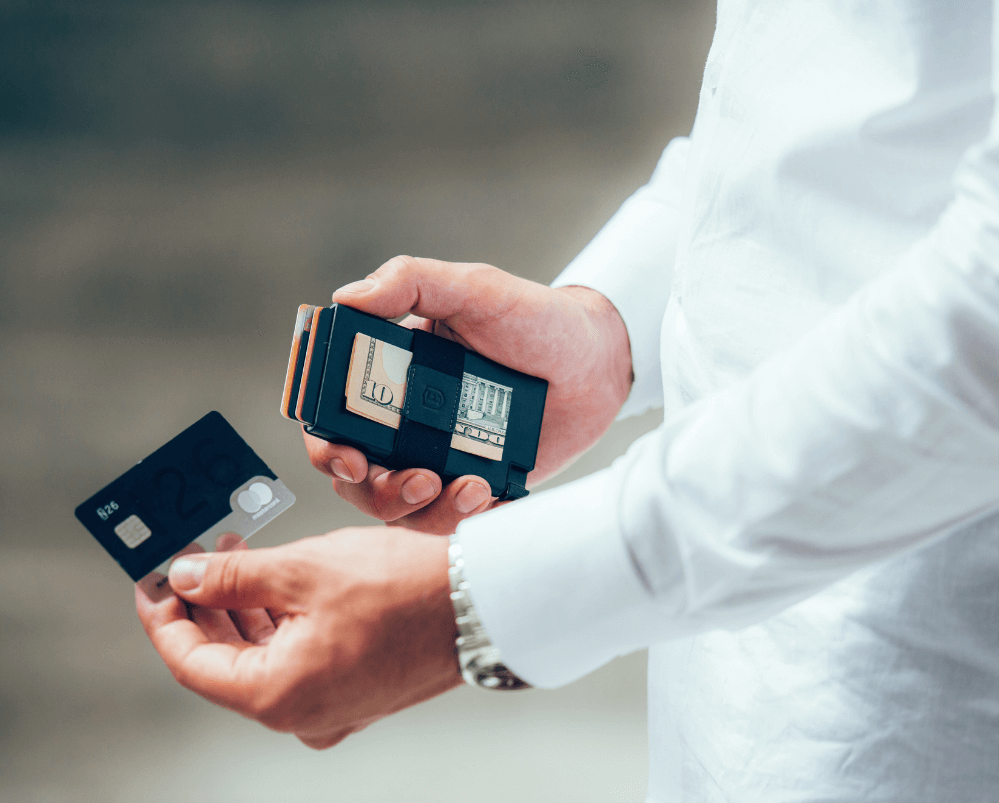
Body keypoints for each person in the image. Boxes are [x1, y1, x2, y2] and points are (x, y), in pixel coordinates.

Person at [136, 2, 999, 798]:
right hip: (722, 678)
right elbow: (811, 103)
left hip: (919, 677)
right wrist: (609, 329)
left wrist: (480, 604)